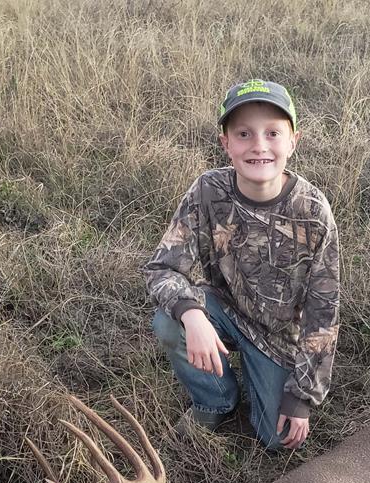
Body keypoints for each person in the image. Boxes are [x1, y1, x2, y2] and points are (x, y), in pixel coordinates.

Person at [142, 79, 339, 450]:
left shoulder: (313, 211)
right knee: (169, 321)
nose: (259, 145)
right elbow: (162, 268)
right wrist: (192, 316)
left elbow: (323, 312)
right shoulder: (207, 190)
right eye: (244, 134)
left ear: (293, 141)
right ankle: (215, 399)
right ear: (226, 144)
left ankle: (261, 373)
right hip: (225, 310)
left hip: (279, 338)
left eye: (272, 133)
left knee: (278, 440)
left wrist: (301, 397)